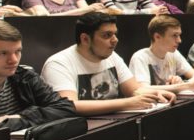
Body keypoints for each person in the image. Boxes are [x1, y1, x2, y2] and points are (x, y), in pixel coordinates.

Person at [41, 12, 174, 116]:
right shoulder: (58, 63)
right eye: (107, 35)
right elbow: (71, 106)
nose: (115, 40)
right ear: (85, 39)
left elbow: (134, 90)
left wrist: (156, 93)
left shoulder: (111, 56)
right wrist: (127, 103)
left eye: (115, 34)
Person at [128, 16, 194, 92]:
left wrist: (181, 83)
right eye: (174, 35)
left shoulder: (173, 54)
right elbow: (143, 89)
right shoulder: (140, 57)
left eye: (179, 35)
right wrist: (183, 86)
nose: (179, 40)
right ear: (157, 37)